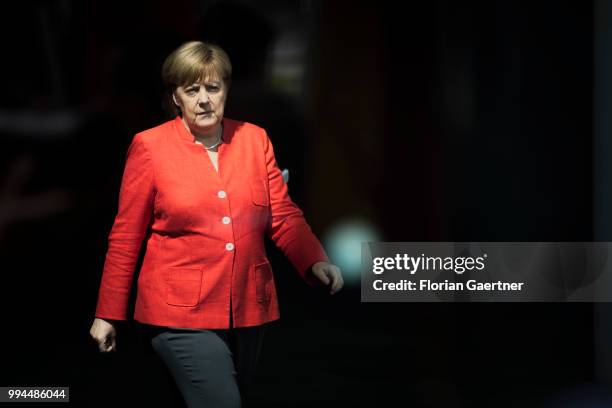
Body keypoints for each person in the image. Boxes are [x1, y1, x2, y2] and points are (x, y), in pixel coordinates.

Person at [88, 40, 344, 407]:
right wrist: (107, 313)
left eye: (213, 87)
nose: (204, 99)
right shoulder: (150, 147)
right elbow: (126, 236)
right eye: (192, 90)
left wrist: (315, 259)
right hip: (178, 313)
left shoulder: (255, 140)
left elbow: (282, 215)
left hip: (248, 308)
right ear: (176, 97)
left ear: (226, 89)